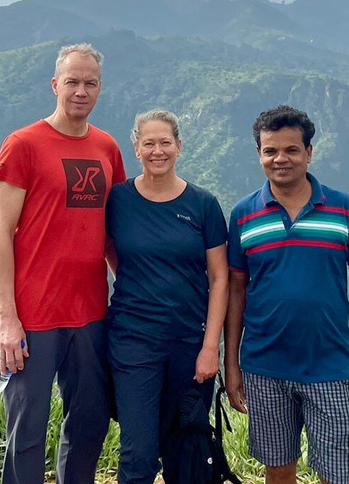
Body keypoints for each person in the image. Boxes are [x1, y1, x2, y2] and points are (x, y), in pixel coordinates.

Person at [224, 105, 349, 484]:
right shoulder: (244, 215)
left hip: (329, 367)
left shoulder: (342, 209)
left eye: (291, 150)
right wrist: (230, 364)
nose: (280, 159)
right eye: (270, 151)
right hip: (264, 367)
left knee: (336, 473)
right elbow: (235, 292)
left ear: (309, 153)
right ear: (259, 155)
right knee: (278, 469)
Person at [0, 43, 127, 484]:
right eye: (72, 81)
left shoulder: (107, 147)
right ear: (55, 85)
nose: (81, 91)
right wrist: (6, 317)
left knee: (89, 423)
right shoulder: (23, 144)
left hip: (91, 312)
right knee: (27, 430)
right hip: (34, 316)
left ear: (100, 88)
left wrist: (130, 290)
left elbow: (112, 232)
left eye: (90, 83)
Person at [106, 109, 228, 484]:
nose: (157, 151)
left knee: (187, 447)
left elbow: (220, 277)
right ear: (136, 149)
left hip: (190, 343)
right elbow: (111, 252)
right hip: (133, 340)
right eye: (149, 144)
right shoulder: (119, 200)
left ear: (179, 146)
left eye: (165, 143)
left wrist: (211, 347)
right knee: (138, 451)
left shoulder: (203, 205)